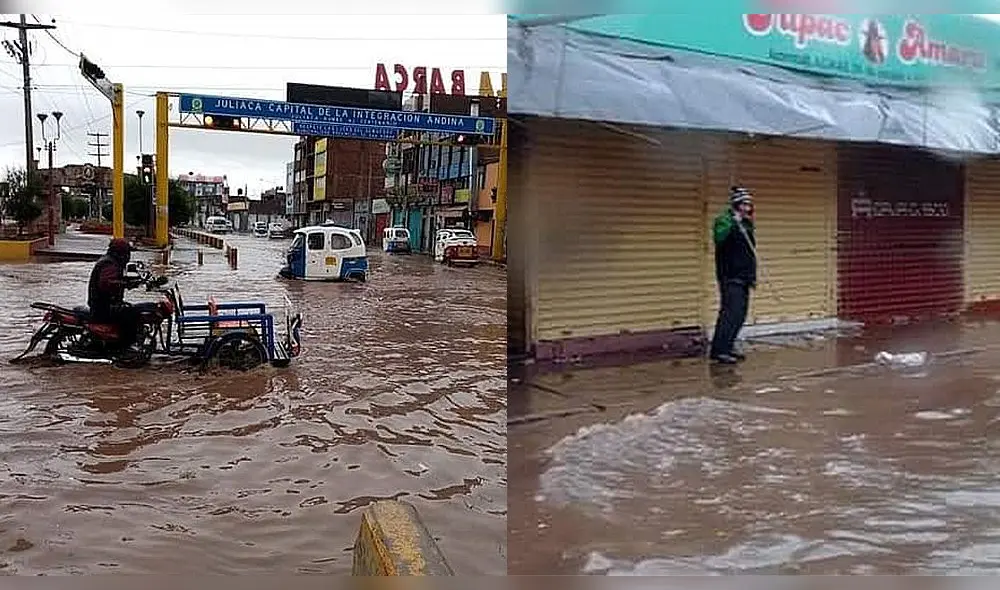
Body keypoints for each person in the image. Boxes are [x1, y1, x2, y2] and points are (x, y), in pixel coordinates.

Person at [709, 186, 757, 364]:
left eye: (749, 205)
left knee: (740, 314)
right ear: (736, 205)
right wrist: (733, 224)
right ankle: (719, 350)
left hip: (744, 276)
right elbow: (719, 239)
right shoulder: (724, 220)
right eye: (744, 204)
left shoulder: (747, 224)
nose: (747, 208)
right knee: (729, 313)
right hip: (730, 276)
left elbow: (749, 252)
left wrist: (752, 276)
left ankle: (729, 346)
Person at [87, 238, 143, 350]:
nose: (129, 255)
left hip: (104, 304)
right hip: (103, 307)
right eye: (128, 252)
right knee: (131, 314)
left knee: (130, 309)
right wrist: (125, 284)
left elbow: (114, 279)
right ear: (121, 253)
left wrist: (130, 281)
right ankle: (126, 347)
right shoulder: (110, 264)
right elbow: (107, 283)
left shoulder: (110, 261)